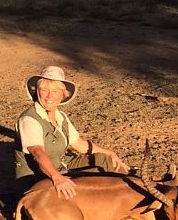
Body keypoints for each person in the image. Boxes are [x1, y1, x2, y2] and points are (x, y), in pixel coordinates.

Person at [15, 66, 129, 200]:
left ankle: (133, 180)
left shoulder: (61, 117)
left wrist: (110, 153)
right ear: (37, 92)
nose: (49, 96)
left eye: (55, 91)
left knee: (104, 160)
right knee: (97, 181)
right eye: (44, 90)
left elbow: (80, 144)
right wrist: (57, 177)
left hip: (62, 166)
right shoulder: (29, 119)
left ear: (62, 95)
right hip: (39, 177)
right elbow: (38, 153)